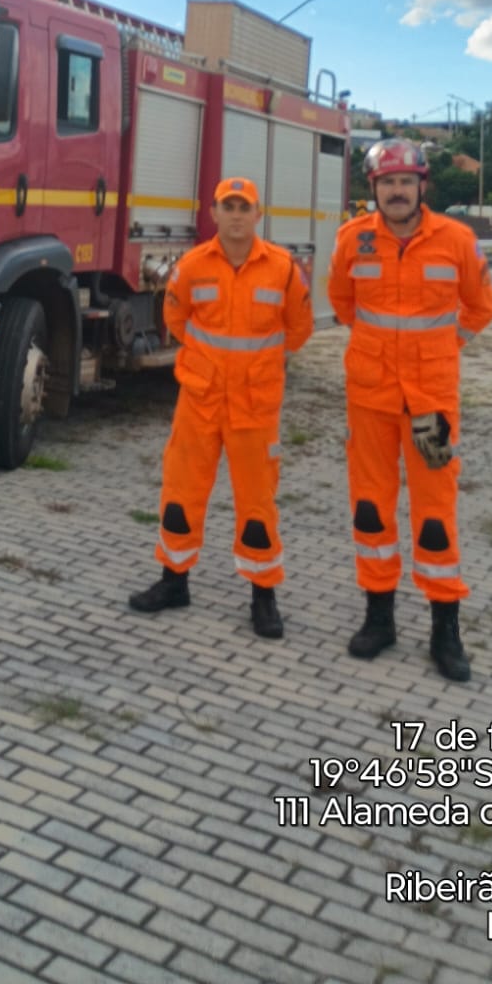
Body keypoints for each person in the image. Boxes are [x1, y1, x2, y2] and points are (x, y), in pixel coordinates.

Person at [327, 139, 492, 681]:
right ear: (373, 188)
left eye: (406, 181)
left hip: (429, 407)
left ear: (423, 186)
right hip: (371, 401)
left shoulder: (456, 240)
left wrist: (444, 348)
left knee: (434, 515)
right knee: (370, 508)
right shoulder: (353, 239)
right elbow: (342, 303)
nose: (397, 191)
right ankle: (379, 618)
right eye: (387, 182)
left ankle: (445, 629)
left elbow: (480, 307)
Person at [129, 176, 315, 639]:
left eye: (243, 207)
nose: (235, 215)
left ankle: (263, 595)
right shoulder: (192, 266)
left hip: (255, 405)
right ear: (213, 213)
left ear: (258, 214)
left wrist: (258, 367)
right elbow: (176, 319)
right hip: (200, 399)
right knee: (181, 492)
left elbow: (299, 328)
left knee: (257, 502)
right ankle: (174, 581)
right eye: (227, 207)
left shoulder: (282, 269)